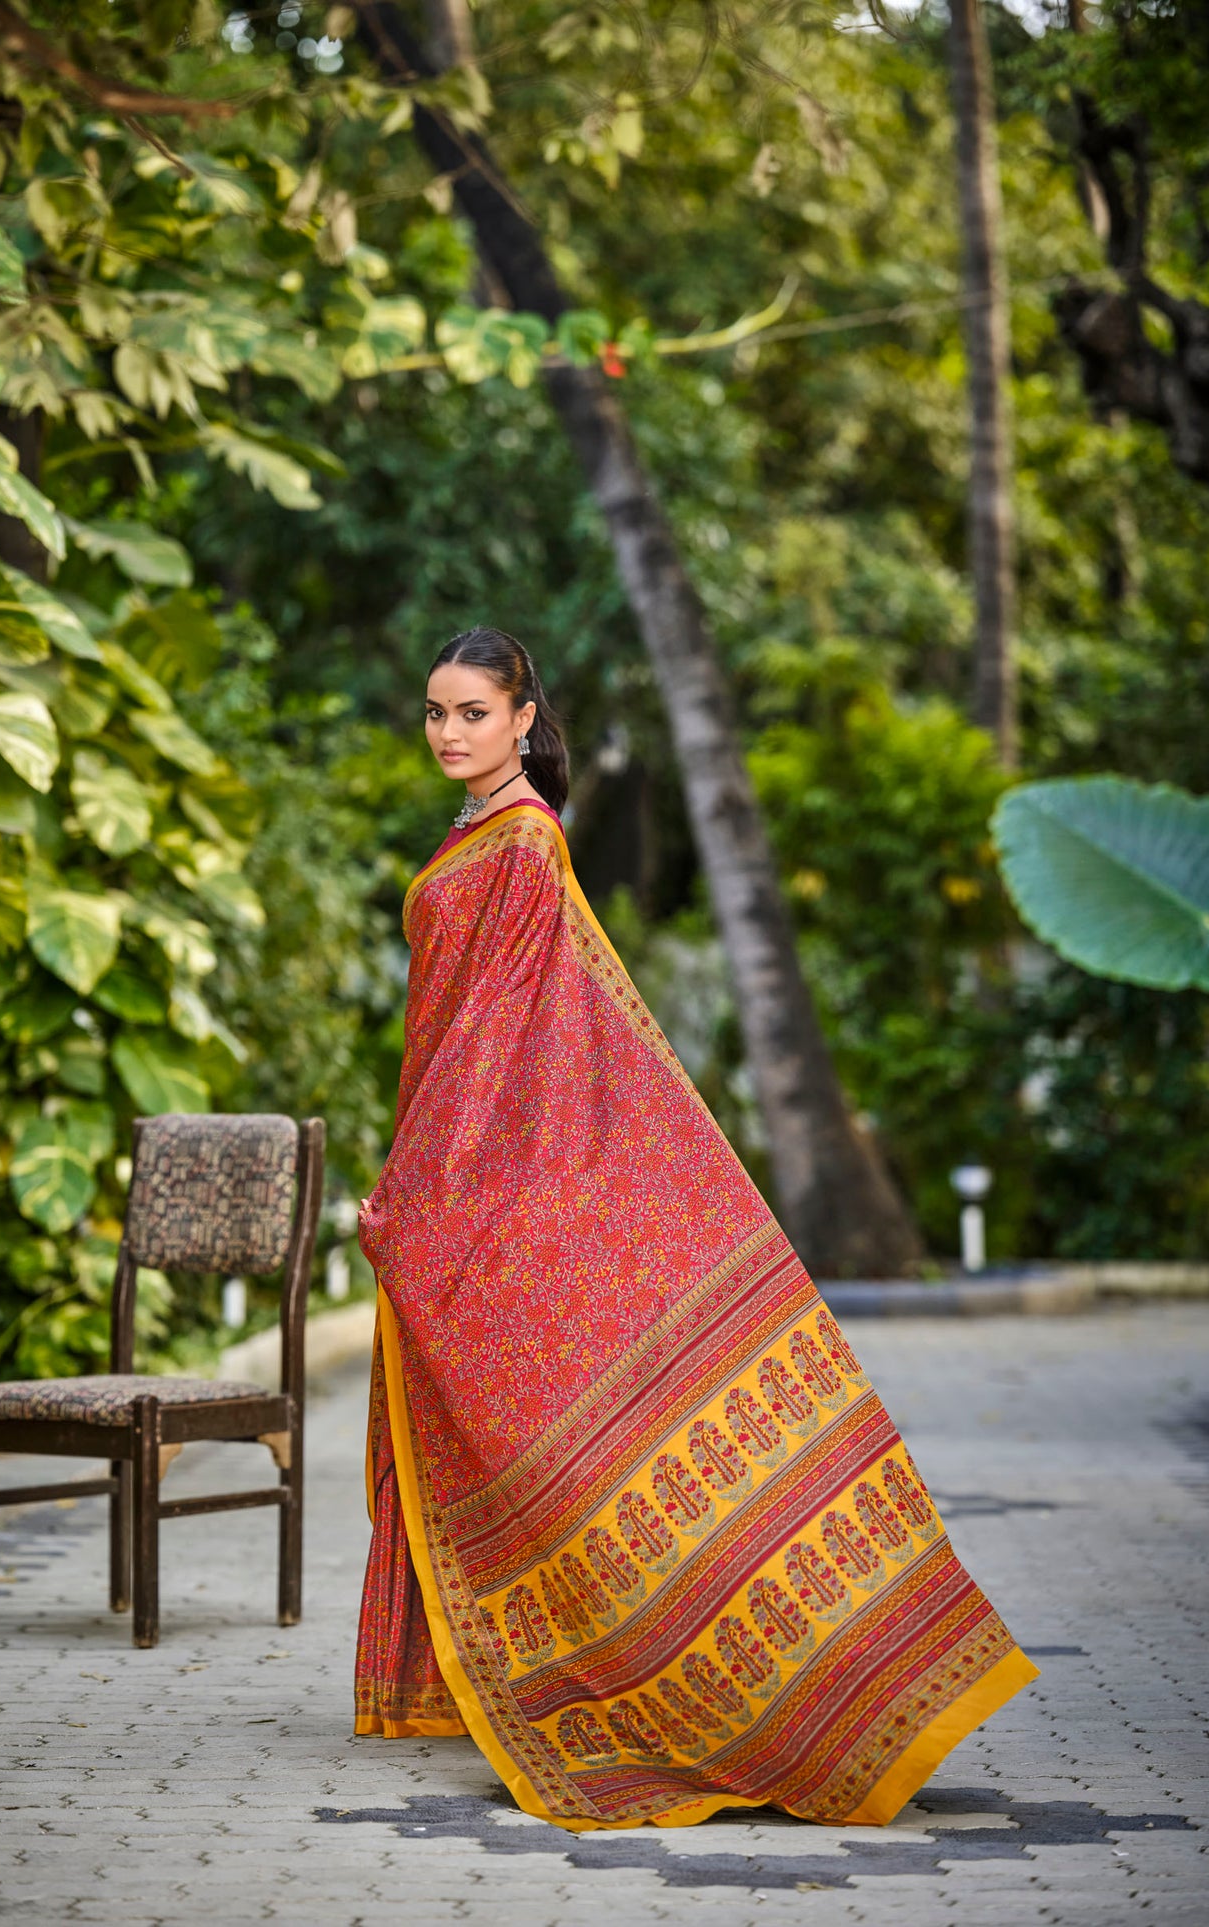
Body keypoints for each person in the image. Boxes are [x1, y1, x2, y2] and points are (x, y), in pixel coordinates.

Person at [354, 626, 1036, 1832]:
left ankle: (764, 1669)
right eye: (433, 712)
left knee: (562, 1421)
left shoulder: (520, 845)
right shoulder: (475, 837)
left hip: (489, 1172)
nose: (447, 732)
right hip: (460, 1158)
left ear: (524, 718)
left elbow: (492, 1048)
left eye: (470, 712)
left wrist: (418, 1192)